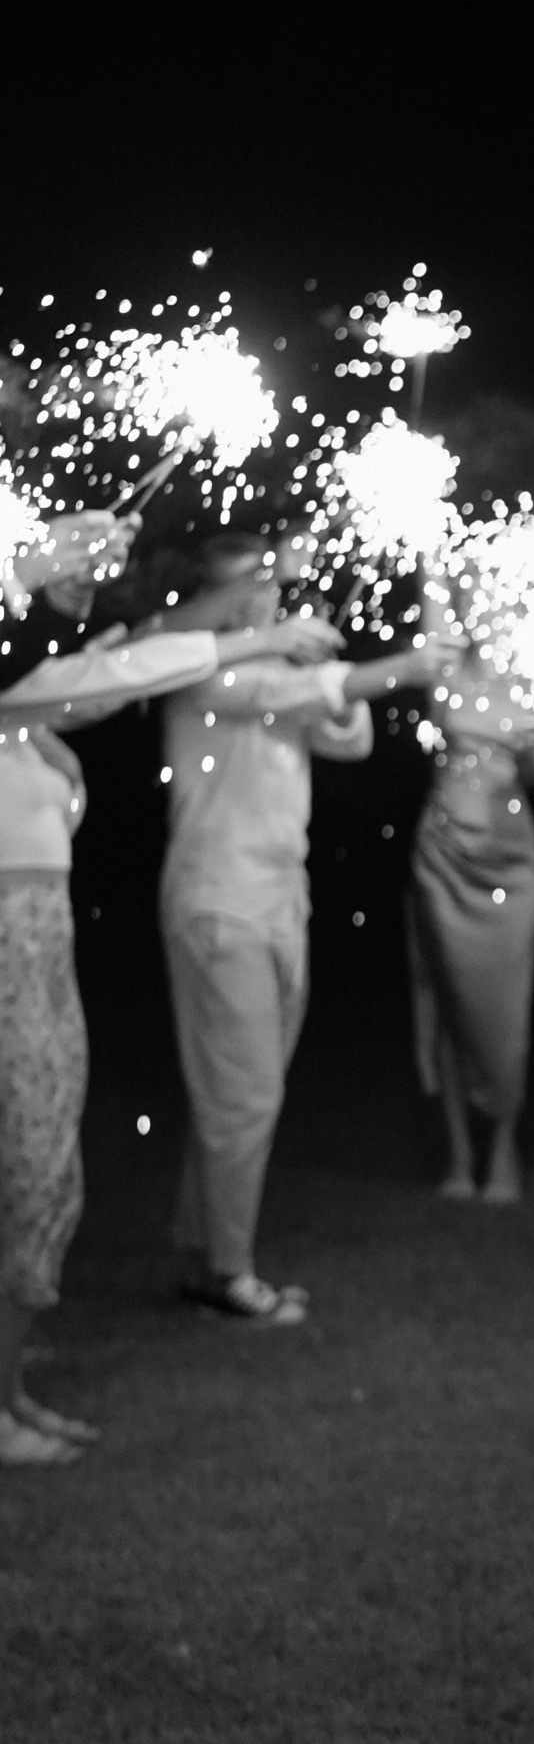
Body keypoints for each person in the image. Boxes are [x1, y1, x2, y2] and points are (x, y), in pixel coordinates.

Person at [0, 575, 330, 1464]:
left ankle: (11, 1394)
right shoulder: (14, 690)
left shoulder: (29, 710)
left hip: (38, 947)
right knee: (26, 1164)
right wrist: (257, 638)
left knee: (37, 1167)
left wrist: (244, 603)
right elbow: (125, 667)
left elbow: (119, 660)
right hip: (16, 948)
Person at [148, 528, 451, 1324]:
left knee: (246, 1090)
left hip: (282, 897)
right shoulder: (199, 666)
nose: (267, 592)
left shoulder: (276, 665)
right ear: (215, 594)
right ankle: (228, 1274)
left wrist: (329, 675)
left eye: (267, 579)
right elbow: (281, 699)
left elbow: (343, 738)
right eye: (248, 580)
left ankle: (200, 1247)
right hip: (220, 900)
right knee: (243, 1095)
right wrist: (395, 670)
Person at [406, 623, 534, 1203]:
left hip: (512, 862)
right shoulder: (445, 663)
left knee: (505, 1006)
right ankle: (459, 1156)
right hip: (443, 855)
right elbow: (432, 578)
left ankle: (503, 1148)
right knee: (449, 1000)